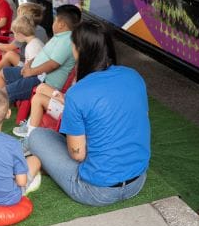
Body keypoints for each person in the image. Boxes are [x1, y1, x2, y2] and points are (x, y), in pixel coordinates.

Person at [25, 22, 150, 206]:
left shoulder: (78, 93)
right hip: (137, 181)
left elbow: (78, 155)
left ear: (79, 50)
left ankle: (37, 164)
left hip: (95, 191)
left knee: (37, 136)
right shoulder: (134, 76)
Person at [0, 5, 81, 119]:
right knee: (3, 73)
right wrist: (29, 65)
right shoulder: (60, 37)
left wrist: (31, 71)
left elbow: (53, 64)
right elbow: (44, 55)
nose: (53, 23)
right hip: (35, 73)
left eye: (55, 20)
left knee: (5, 91)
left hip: (43, 81)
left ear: (62, 24)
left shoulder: (66, 40)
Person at [0, 2, 48, 78]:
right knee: (9, 53)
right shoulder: (42, 29)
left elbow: (9, 47)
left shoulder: (24, 31)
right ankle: (6, 73)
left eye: (18, 16)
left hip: (28, 66)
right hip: (40, 65)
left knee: (9, 54)